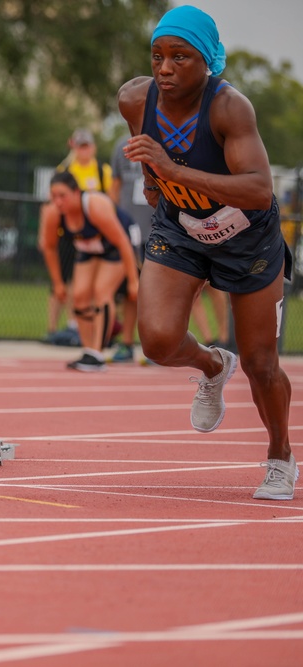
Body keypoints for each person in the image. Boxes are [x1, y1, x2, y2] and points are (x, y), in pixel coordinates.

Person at [118, 5, 296, 500]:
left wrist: (171, 172)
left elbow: (259, 189)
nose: (165, 67)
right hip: (180, 229)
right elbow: (148, 159)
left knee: (262, 362)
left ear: (208, 61)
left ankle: (280, 456)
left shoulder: (228, 108)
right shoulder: (135, 100)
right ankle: (213, 366)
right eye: (157, 55)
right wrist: (156, 183)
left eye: (181, 57)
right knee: (155, 340)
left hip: (248, 238)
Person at [39, 172, 139, 372]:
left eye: (62, 195)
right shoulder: (53, 213)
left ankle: (98, 353)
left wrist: (133, 280)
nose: (58, 201)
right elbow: (49, 247)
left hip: (116, 245)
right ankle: (88, 351)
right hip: (88, 247)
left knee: (102, 292)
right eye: (53, 196)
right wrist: (58, 283)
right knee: (79, 296)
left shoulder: (95, 205)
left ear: (76, 192)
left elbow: (122, 242)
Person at [43, 129, 116, 347]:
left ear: (92, 148)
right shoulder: (65, 169)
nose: (83, 151)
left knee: (88, 283)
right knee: (60, 281)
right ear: (73, 147)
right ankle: (53, 329)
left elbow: (111, 201)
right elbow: (51, 204)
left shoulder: (102, 171)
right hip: (67, 231)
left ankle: (78, 326)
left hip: (94, 232)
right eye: (79, 146)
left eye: (86, 146)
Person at [109, 133, 155, 362]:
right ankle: (126, 343)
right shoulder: (121, 146)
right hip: (129, 231)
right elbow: (115, 186)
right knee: (131, 290)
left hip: (157, 228)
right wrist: (112, 220)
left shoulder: (162, 141)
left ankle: (157, 346)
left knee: (157, 293)